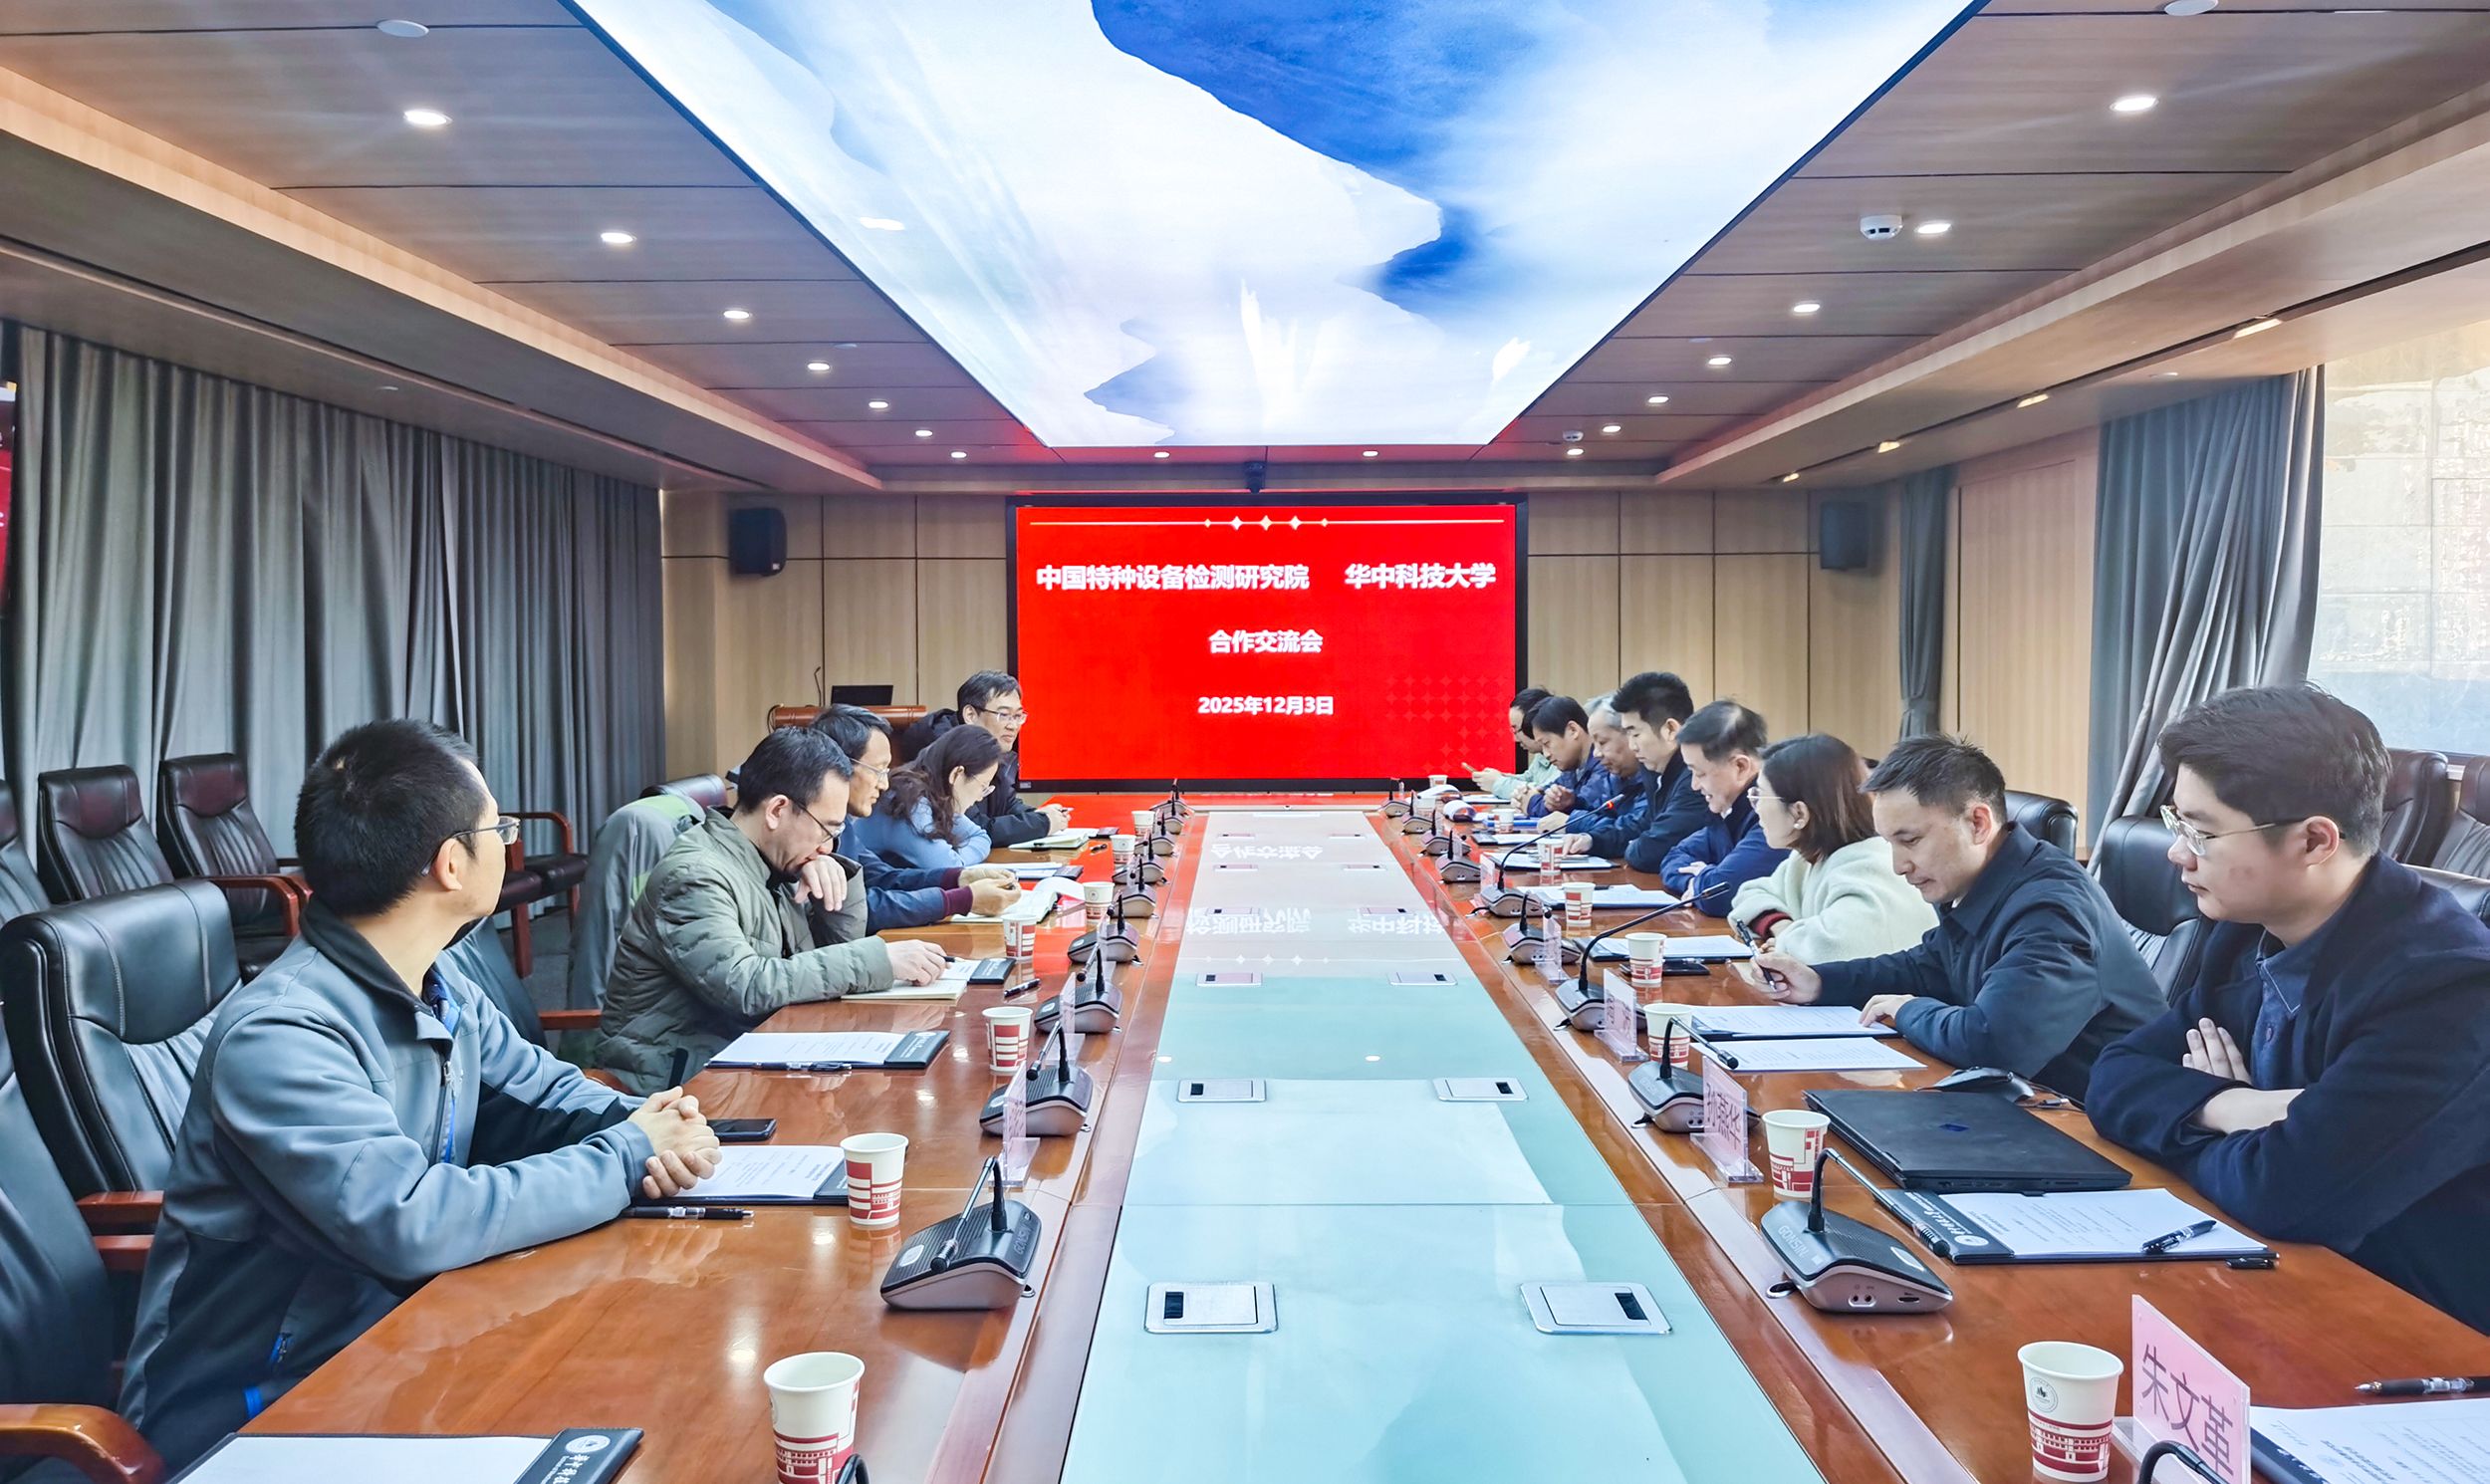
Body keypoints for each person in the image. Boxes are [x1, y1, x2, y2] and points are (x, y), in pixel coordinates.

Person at [120, 721, 722, 1471]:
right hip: (264, 1402)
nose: (509, 844)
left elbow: (542, 1091)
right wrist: (629, 1154)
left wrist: (653, 1121)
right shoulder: (282, 1033)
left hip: (405, 1346)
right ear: (451, 864)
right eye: (499, 829)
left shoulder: (439, 980)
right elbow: (410, 1220)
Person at [2088, 686, 2490, 1330]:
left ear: (2313, 842)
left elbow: (2286, 1195)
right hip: (2268, 1283)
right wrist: (2236, 1107)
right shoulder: (2245, 929)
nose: (2177, 852)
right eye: (2177, 822)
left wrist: (2192, 1120)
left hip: (2412, 1331)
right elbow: (2112, 1078)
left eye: (2202, 832)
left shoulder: (2448, 989)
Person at [1752, 735, 2159, 1100]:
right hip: (2025, 1106)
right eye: (1890, 843)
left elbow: (1994, 1044)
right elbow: (1926, 966)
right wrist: (1820, 982)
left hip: (2093, 1129)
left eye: (1910, 840)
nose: (1898, 865)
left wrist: (1909, 1010)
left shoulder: (2052, 909)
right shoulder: (1983, 882)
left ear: (1977, 823)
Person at [596, 727, 945, 1092]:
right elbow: (745, 985)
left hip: (747, 1059)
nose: (827, 846)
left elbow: (833, 956)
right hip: (678, 1083)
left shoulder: (776, 861)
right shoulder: (695, 875)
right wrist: (880, 960)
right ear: (777, 810)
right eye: (826, 830)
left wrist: (834, 885)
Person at [1729, 733, 1934, 962]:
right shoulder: (1808, 860)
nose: (1756, 807)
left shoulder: (1868, 868)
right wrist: (1783, 928)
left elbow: (1832, 950)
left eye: (1760, 796)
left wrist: (1788, 941)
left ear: (1799, 813)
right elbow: (1750, 895)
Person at [814, 703, 1019, 930]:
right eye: (878, 770)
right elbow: (859, 909)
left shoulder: (843, 827)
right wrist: (962, 899)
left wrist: (959, 878)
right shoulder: (812, 830)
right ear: (838, 766)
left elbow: (884, 878)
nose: (884, 784)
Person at [1556, 670, 1710, 870]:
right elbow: (1642, 826)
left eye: (1635, 734)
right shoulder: (1656, 770)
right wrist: (1592, 840)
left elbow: (1652, 851)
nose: (1632, 746)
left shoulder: (1695, 778)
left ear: (1671, 730)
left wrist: (1635, 846)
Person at [897, 670, 1071, 847]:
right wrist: (1042, 823)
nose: (1013, 726)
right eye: (1004, 715)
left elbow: (1005, 805)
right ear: (970, 715)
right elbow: (972, 827)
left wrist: (1039, 815)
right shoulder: (946, 754)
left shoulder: (987, 748)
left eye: (1018, 716)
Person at [1658, 701, 1788, 915]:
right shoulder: (1728, 810)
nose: (1694, 785)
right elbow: (1675, 856)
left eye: (1700, 773)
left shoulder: (1776, 814)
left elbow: (1719, 894)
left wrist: (1704, 878)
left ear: (1740, 767)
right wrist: (1700, 879)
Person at [843, 724, 1005, 875]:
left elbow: (981, 837)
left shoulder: (934, 796)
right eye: (983, 786)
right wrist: (957, 858)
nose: (980, 797)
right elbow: (948, 866)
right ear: (957, 774)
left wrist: (955, 856)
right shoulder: (907, 801)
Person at [1548, 695, 1647, 858]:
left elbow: (1635, 829)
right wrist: (1570, 804)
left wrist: (1573, 822)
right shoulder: (1616, 777)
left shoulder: (1656, 778)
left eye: (1602, 742)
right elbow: (1597, 812)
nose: (1596, 754)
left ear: (1631, 734)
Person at [1470, 686, 1557, 806]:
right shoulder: (1541, 753)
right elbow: (1528, 779)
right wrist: (1498, 777)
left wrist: (1498, 783)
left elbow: (1543, 793)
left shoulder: (1563, 755)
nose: (1515, 739)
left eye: (1517, 730)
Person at [1521, 695, 1602, 820]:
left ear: (1572, 730)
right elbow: (1554, 797)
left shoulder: (1604, 762)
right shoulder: (1572, 768)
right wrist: (1529, 794)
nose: (1546, 754)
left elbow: (1586, 813)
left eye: (1547, 744)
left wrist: (1531, 802)